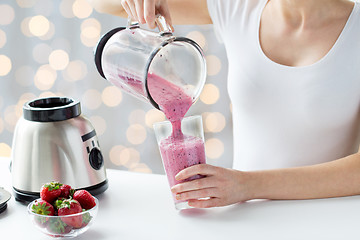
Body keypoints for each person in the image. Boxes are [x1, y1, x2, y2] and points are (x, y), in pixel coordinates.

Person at [89, 0, 360, 208]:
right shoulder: (238, 6)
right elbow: (103, 3)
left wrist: (249, 185)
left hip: (328, 219)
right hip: (245, 218)